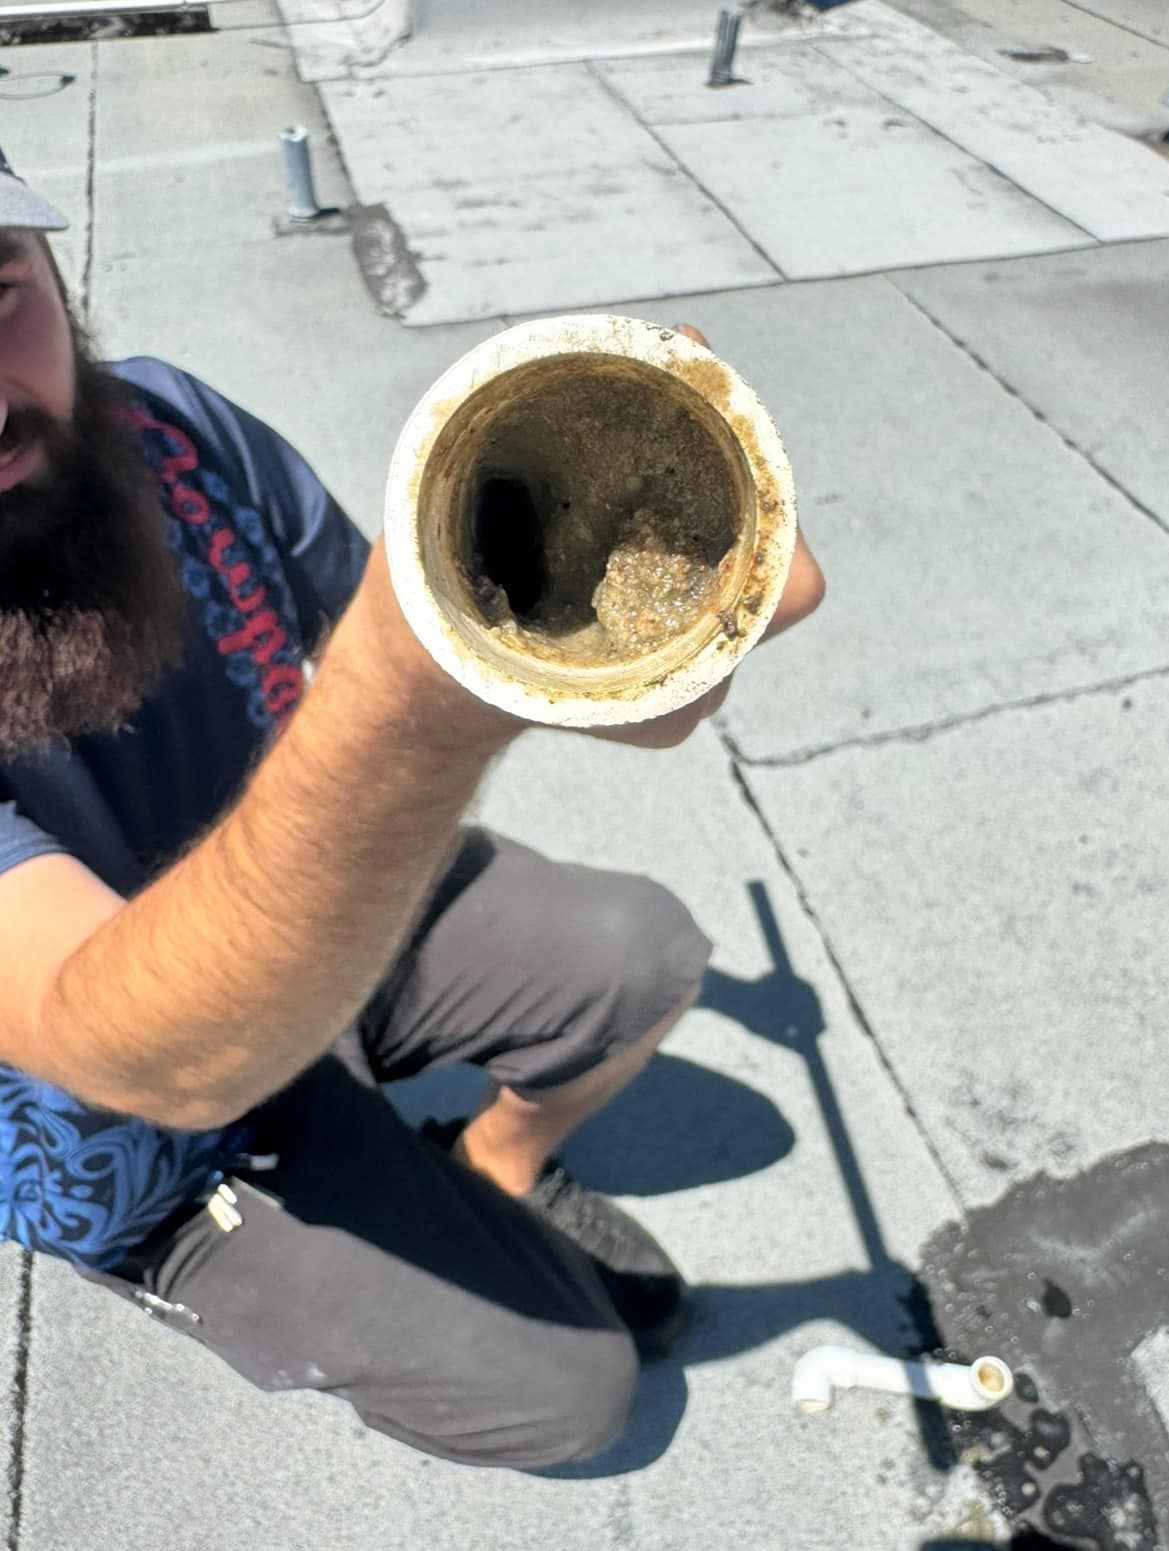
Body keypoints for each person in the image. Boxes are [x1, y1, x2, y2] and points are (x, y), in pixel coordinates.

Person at [0, 149, 825, 1469]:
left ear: (54, 268)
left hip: (328, 915)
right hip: (134, 1129)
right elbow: (126, 1046)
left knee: (646, 953)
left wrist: (643, 645)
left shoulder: (165, 427)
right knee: (570, 1398)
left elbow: (418, 614)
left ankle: (486, 1160)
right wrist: (419, 686)